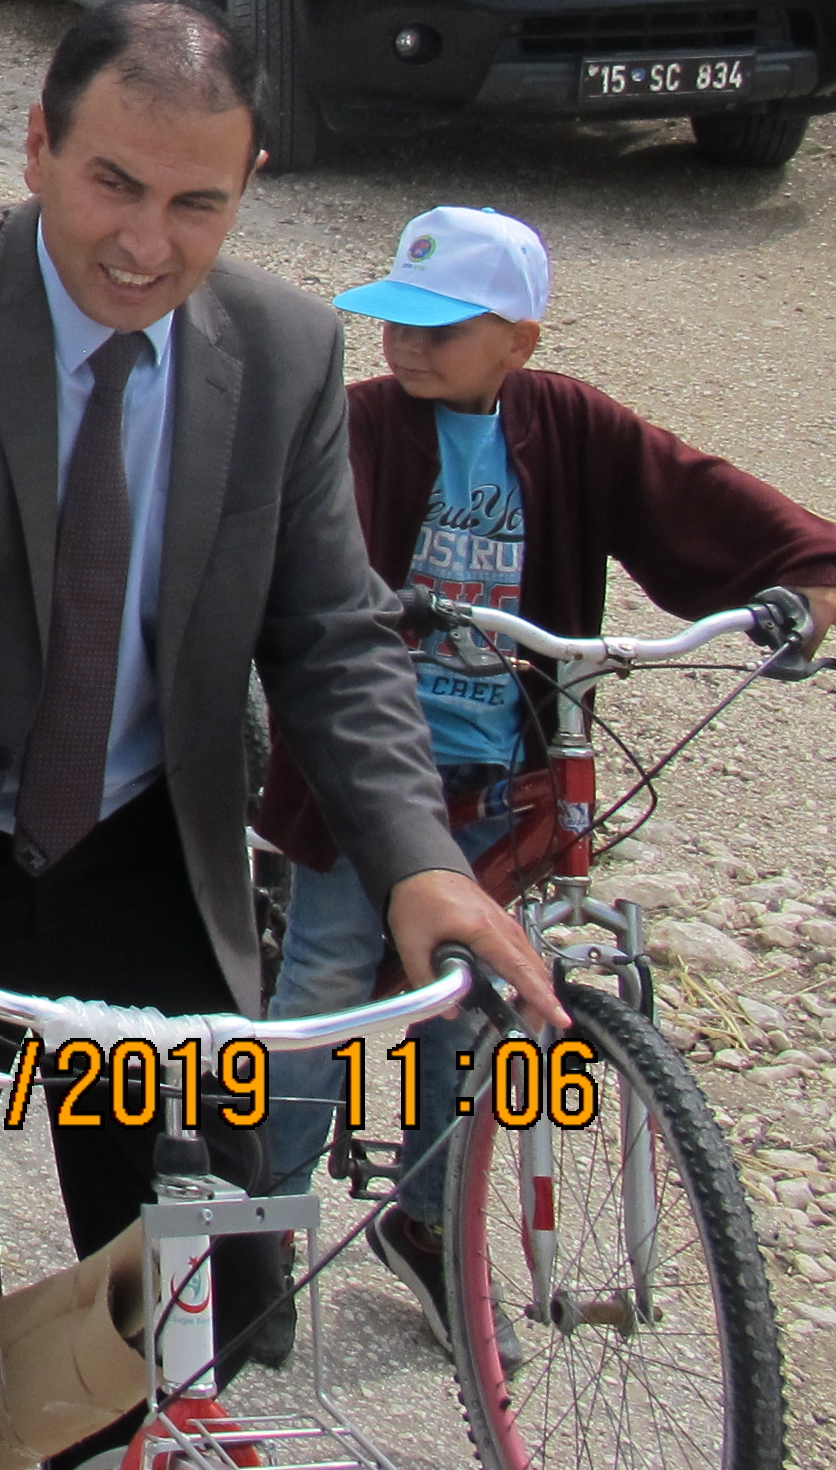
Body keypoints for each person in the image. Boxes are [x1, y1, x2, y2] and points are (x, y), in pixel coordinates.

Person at [0, 0, 562, 1470]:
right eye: (114, 186)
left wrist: (420, 863)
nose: (148, 242)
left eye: (197, 203)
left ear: (248, 186)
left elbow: (332, 635)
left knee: (190, 1316)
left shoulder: (281, 354)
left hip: (141, 862)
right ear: (37, 146)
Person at [256, 205, 836, 1327]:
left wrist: (808, 569)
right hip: (361, 781)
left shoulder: (568, 423)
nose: (408, 347)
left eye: (444, 327)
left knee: (468, 1009)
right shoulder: (358, 424)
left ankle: (427, 1225)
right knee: (325, 988)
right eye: (397, 323)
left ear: (523, 337)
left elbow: (695, 493)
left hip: (507, 775)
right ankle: (260, 1233)